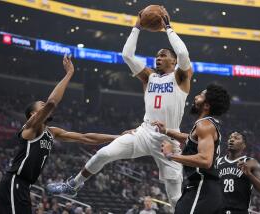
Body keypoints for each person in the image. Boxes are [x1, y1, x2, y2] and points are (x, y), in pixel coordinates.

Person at [47, 6, 193, 208]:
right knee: (104, 154)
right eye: (157, 55)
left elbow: (184, 53)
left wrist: (168, 27)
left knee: (175, 199)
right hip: (144, 132)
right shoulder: (148, 77)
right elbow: (127, 55)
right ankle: (74, 184)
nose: (158, 57)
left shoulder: (181, 78)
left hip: (169, 139)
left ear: (173, 60)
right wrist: (137, 27)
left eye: (163, 55)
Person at [0, 55, 117, 214]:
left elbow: (86, 137)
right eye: (42, 105)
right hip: (13, 182)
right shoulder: (30, 127)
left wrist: (117, 137)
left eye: (44, 104)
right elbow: (52, 102)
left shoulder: (51, 132)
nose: (45, 105)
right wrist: (69, 74)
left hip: (24, 187)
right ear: (33, 113)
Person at [155, 84, 230, 214]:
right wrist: (166, 131)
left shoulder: (204, 125)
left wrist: (170, 155)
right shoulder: (206, 124)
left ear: (206, 106)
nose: (196, 97)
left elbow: (205, 160)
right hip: (205, 189)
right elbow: (190, 139)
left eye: (201, 95)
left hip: (203, 188)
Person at [217, 131, 260, 214]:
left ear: (244, 145)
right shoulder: (217, 162)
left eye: (236, 138)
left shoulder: (251, 162)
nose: (231, 140)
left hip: (239, 211)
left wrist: (249, 175)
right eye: (230, 138)